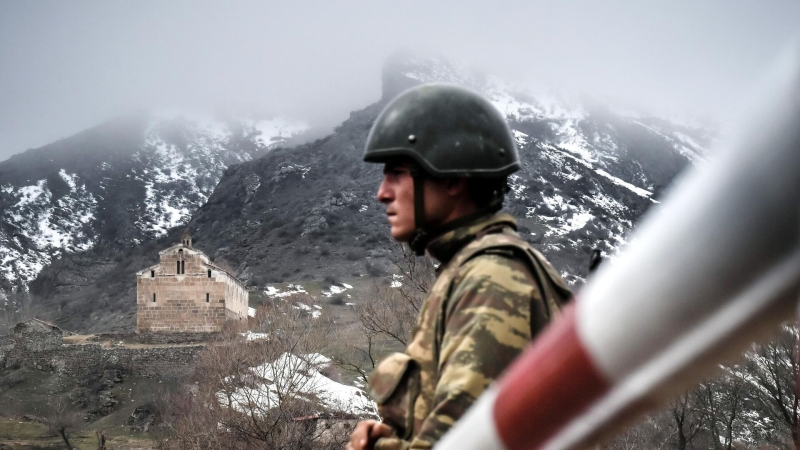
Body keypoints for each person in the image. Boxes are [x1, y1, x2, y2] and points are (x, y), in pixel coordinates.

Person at [347, 83, 572, 450]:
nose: (382, 193)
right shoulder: (470, 271)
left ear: (452, 179)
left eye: (397, 174)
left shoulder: (492, 278)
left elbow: (466, 443)